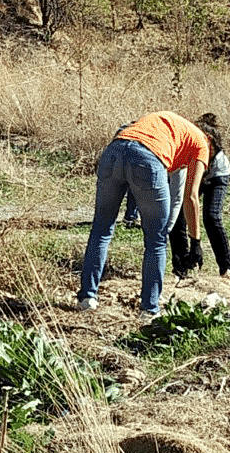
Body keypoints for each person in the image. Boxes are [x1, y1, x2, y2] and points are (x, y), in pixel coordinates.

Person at [77, 111, 220, 321]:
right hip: (147, 160)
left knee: (101, 229)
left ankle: (87, 298)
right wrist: (195, 242)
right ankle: (149, 308)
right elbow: (191, 197)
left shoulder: (171, 124)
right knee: (156, 240)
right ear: (211, 143)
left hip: (114, 151)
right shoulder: (201, 142)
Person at [171, 145, 230, 281]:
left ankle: (227, 269)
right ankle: (181, 268)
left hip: (217, 175)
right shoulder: (188, 150)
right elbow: (190, 197)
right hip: (190, 173)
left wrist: (196, 243)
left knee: (212, 217)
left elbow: (192, 197)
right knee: (178, 216)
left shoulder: (218, 160)